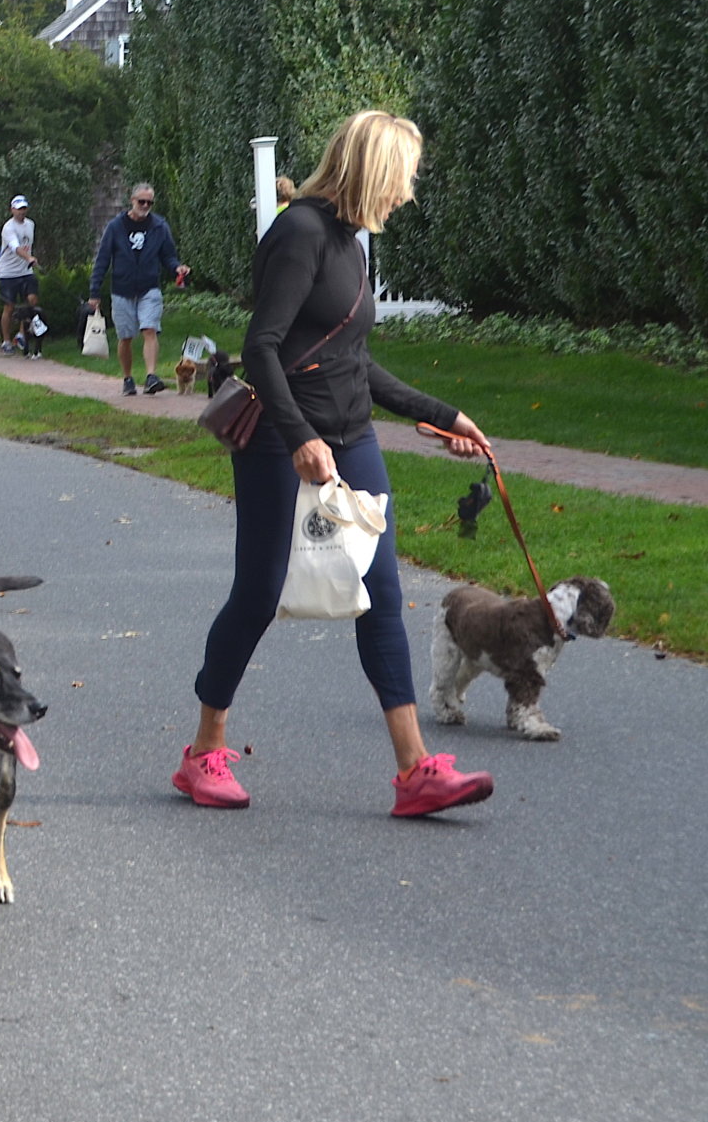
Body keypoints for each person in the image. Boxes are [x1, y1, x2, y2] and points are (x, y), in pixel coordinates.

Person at [175, 110, 497, 820]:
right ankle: (203, 754)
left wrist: (442, 415)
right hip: (280, 442)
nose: (406, 195)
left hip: (351, 439)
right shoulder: (299, 234)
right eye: (402, 180)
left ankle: (415, 772)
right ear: (373, 171)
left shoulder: (352, 243)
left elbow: (349, 359)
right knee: (258, 594)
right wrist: (296, 436)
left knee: (380, 592)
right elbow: (262, 346)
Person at [87, 182, 187, 395]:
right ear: (132, 201)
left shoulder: (160, 226)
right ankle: (128, 378)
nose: (145, 205)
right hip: (122, 289)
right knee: (126, 336)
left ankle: (151, 376)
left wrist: (177, 268)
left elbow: (168, 256)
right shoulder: (115, 227)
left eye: (149, 202)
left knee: (150, 329)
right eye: (141, 201)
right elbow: (102, 260)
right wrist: (94, 292)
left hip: (149, 288)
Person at [0, 196, 39, 353]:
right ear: (12, 210)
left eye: (24, 209)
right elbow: (15, 247)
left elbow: (28, 245)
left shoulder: (31, 224)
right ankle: (6, 341)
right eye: (18, 209)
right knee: (9, 306)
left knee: (32, 300)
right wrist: (29, 257)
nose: (21, 212)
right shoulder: (8, 228)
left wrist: (30, 260)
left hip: (26, 271)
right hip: (8, 272)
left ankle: (21, 333)